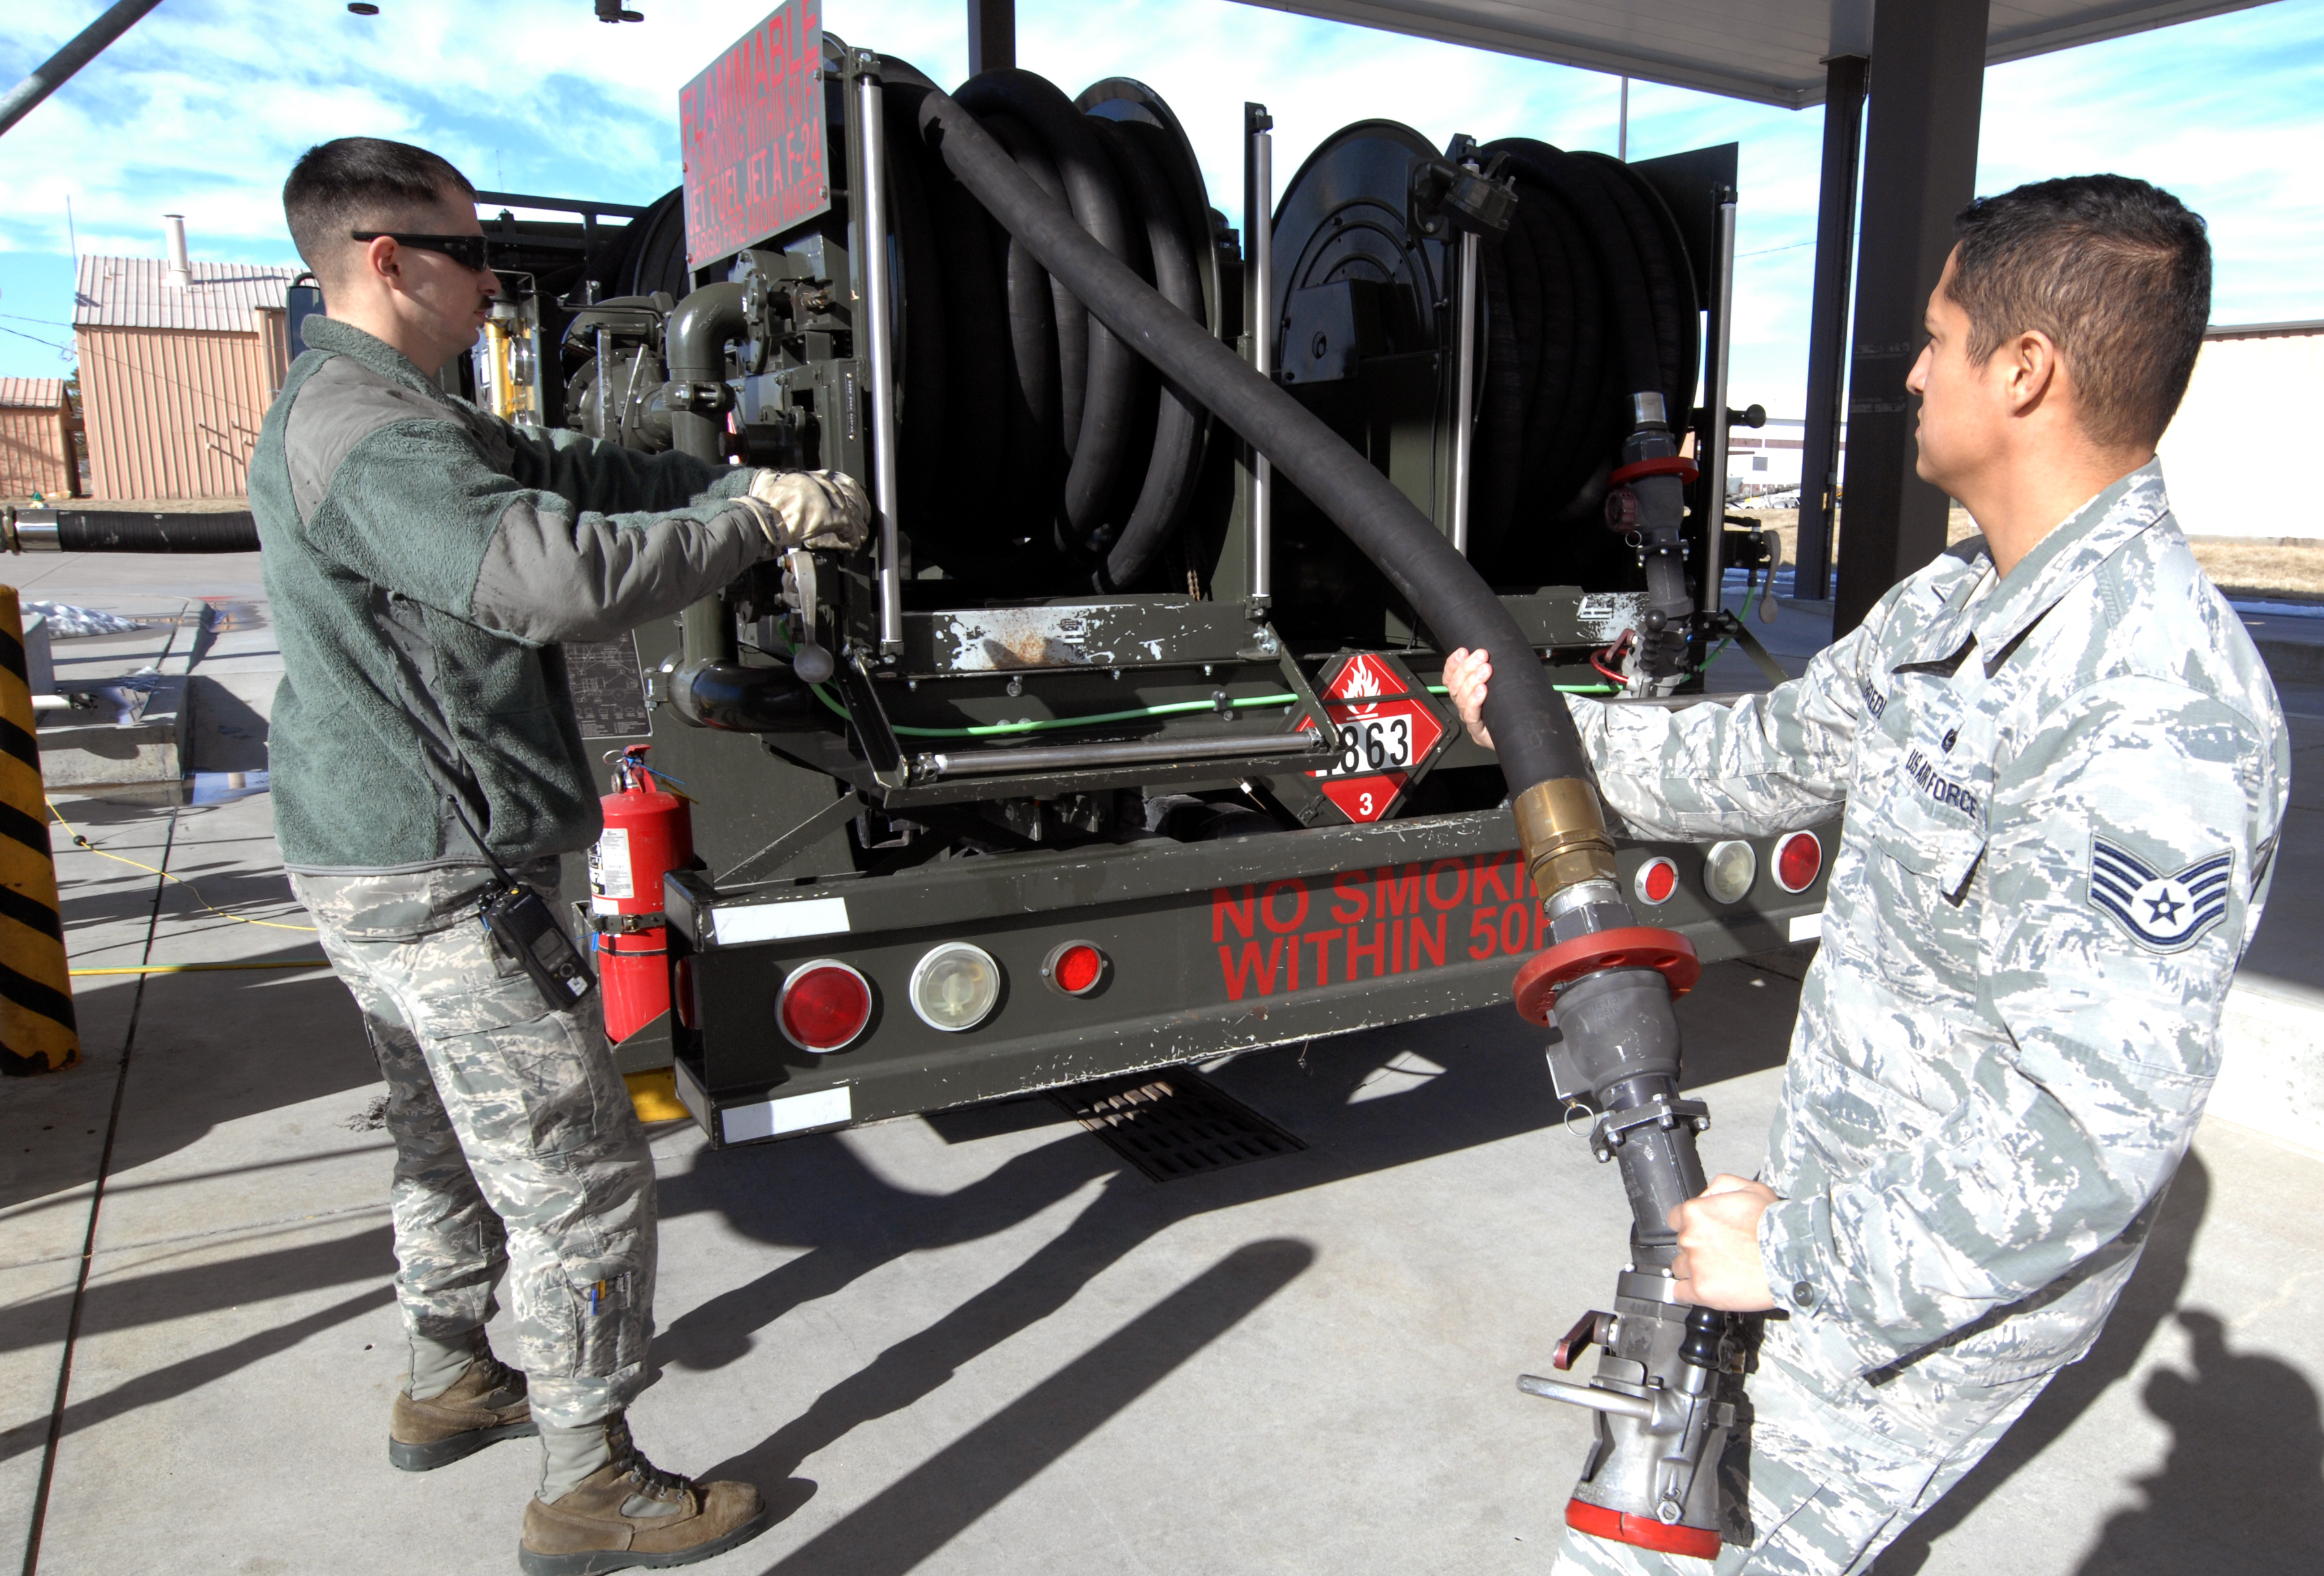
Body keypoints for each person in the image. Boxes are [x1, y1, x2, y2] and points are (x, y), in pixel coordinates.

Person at [1443, 174, 2288, 1573]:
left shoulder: (2154, 710)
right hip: (1836, 1195)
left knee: (1652, 1545)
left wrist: (1806, 1256)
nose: (1907, 376)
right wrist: (1538, 723)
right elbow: (1759, 759)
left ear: (2027, 372)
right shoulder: (1959, 602)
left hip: (1928, 1277)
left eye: (1937, 339)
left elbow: (2093, 1139)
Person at [250, 137, 867, 1575]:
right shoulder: (378, 438)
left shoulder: (386, 408)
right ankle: (591, 1482)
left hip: (372, 854)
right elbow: (554, 578)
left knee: (440, 1140)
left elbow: (560, 468)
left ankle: (448, 1371)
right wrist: (751, 522)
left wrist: (708, 466)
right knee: (577, 1170)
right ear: (386, 259)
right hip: (438, 869)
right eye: (472, 256)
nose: (493, 284)